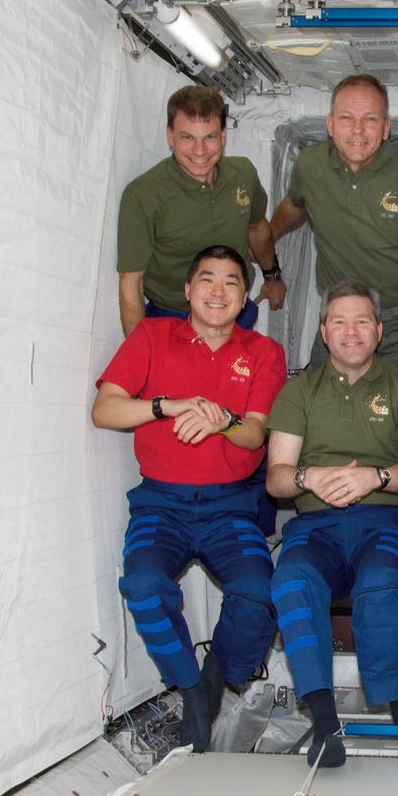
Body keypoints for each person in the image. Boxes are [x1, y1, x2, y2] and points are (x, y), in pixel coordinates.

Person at [91, 245, 286, 751]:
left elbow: (256, 435)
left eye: (230, 283)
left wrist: (225, 418)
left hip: (230, 506)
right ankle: (191, 685)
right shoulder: (153, 336)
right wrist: (166, 406)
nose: (218, 292)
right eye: (207, 280)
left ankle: (222, 672)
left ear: (246, 297)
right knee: (143, 585)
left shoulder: (262, 352)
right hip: (162, 505)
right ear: (186, 290)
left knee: (259, 592)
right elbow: (105, 410)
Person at [265, 281, 398, 768]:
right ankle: (324, 722)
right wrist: (311, 476)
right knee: (291, 579)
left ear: (380, 330)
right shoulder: (298, 389)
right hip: (314, 526)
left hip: (384, 520)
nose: (351, 331)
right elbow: (278, 479)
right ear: (323, 332)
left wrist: (375, 476)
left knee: (381, 581)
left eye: (362, 320)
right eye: (339, 321)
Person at [270, 74, 398, 371]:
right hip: (339, 319)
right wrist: (264, 251)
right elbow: (293, 208)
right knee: (316, 413)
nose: (357, 130)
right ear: (330, 124)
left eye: (370, 119)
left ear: (386, 128)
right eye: (346, 118)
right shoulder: (310, 166)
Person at [117, 85, 285, 337]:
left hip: (233, 313)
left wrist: (272, 278)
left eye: (209, 137)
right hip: (174, 316)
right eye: (187, 137)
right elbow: (131, 284)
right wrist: (141, 357)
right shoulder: (143, 195)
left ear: (223, 136)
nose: (200, 150)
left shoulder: (243, 174)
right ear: (170, 136)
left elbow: (258, 228)